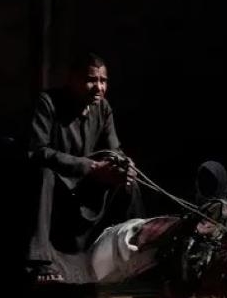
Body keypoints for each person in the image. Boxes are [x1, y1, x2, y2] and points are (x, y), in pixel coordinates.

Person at [25, 52, 145, 283]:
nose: (98, 87)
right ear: (72, 79)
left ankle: (138, 249)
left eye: (103, 81)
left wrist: (123, 165)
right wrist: (89, 167)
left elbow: (114, 150)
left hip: (87, 185)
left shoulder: (103, 109)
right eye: (91, 80)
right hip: (59, 184)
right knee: (44, 174)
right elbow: (37, 151)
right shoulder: (47, 103)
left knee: (129, 181)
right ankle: (41, 261)